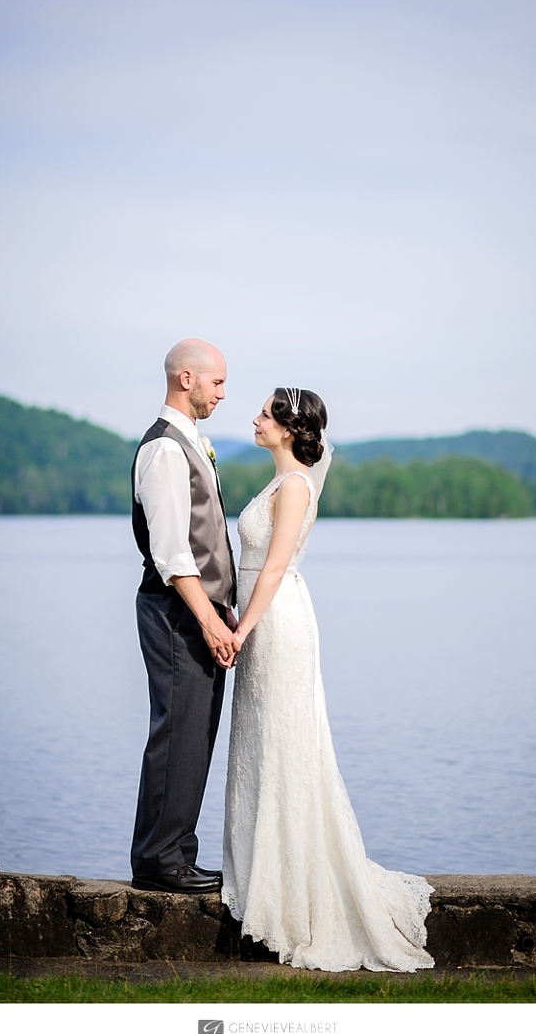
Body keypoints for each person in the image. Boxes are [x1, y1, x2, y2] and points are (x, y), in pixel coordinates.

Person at [221, 387, 435, 971]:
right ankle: (262, 876)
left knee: (288, 749)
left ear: (290, 428)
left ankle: (292, 893)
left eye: (266, 413)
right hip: (263, 621)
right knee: (261, 748)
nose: (256, 419)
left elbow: (273, 566)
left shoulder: (293, 488)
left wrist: (241, 630)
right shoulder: (278, 481)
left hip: (278, 623)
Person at [130, 339, 240, 894]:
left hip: (194, 612)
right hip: (178, 612)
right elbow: (174, 555)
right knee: (177, 732)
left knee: (194, 734)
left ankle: (178, 853)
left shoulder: (192, 443)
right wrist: (210, 621)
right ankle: (158, 862)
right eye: (217, 382)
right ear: (187, 378)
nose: (223, 393)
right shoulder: (166, 450)